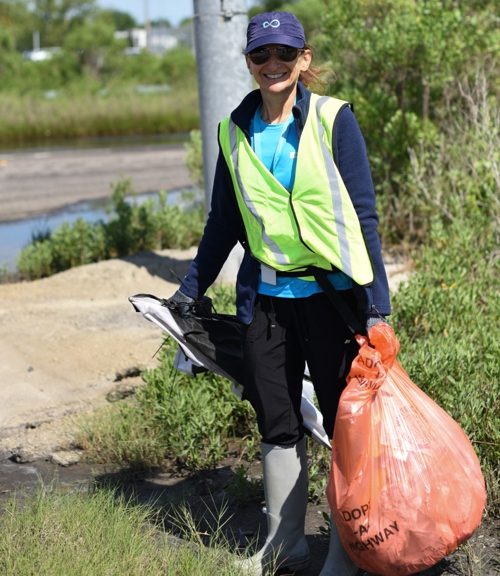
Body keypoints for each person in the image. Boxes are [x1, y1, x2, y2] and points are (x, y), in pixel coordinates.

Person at [170, 11, 391, 576]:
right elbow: (223, 223)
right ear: (248, 63)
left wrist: (377, 308)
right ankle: (284, 546)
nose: (273, 65)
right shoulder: (234, 131)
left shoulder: (333, 120)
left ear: (304, 60)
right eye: (261, 56)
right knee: (277, 421)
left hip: (332, 300)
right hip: (266, 305)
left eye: (284, 55)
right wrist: (188, 293)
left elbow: (363, 217)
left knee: (346, 428)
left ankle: (346, 552)